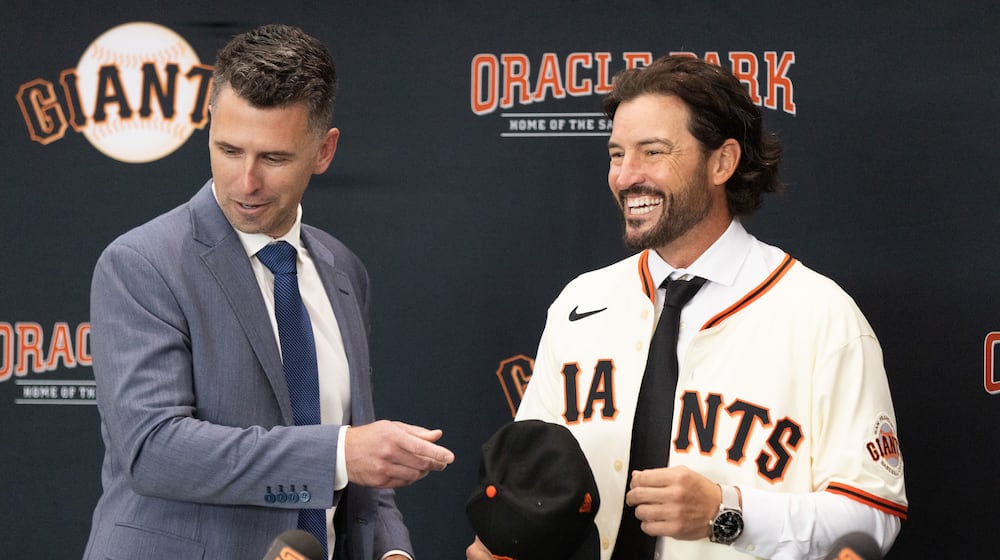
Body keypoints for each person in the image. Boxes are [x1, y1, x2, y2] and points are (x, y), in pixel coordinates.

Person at [468, 55, 906, 560]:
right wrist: (505, 542)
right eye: (616, 154)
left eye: (652, 152)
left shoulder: (820, 316)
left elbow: (874, 515)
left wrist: (728, 512)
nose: (625, 176)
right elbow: (530, 477)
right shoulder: (580, 304)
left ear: (722, 162)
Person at [83, 24, 454, 560]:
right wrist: (340, 454)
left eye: (274, 158)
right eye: (228, 150)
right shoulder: (140, 264)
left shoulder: (343, 271)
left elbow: (360, 464)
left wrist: (391, 550)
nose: (245, 182)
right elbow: (153, 450)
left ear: (324, 151)